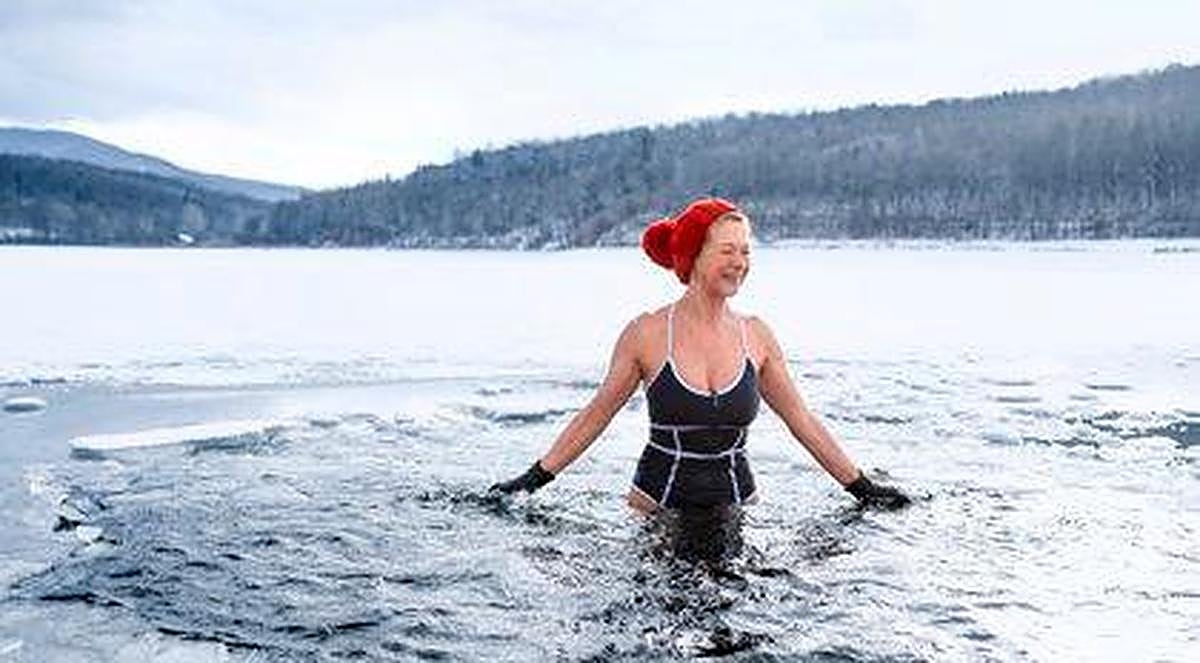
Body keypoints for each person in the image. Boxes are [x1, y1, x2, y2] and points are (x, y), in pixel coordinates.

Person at [490, 197, 910, 516]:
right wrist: (534, 478)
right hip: (656, 511)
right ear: (694, 256)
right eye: (727, 251)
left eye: (745, 251)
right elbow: (597, 414)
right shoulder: (647, 334)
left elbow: (801, 420)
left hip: (737, 510)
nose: (740, 263)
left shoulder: (757, 336)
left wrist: (862, 488)